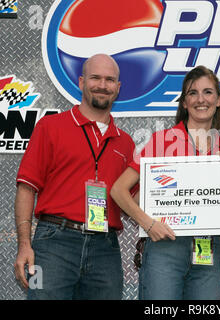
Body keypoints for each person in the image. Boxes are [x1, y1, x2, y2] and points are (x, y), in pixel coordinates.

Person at [111, 65, 220, 300]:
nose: (200, 99)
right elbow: (119, 190)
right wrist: (149, 224)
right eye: (192, 93)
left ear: (219, 99)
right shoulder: (162, 141)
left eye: (208, 92)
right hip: (166, 248)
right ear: (184, 102)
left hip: (208, 252)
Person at [14, 54, 137, 300]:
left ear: (118, 87)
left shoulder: (125, 142)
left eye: (110, 80)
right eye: (95, 78)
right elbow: (26, 189)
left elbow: (136, 200)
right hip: (52, 243)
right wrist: (24, 245)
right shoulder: (50, 127)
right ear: (81, 82)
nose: (102, 85)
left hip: (106, 248)